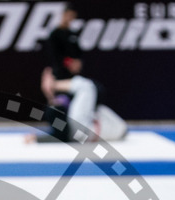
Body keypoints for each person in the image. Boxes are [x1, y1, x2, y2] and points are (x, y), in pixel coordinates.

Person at [38, 4, 127, 142]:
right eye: (69, 15)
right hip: (63, 79)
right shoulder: (55, 34)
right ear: (64, 14)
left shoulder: (73, 34)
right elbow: (55, 56)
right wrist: (66, 66)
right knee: (85, 89)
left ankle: (54, 88)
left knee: (83, 93)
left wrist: (39, 139)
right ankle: (55, 87)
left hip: (72, 88)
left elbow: (78, 55)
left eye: (73, 16)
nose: (71, 19)